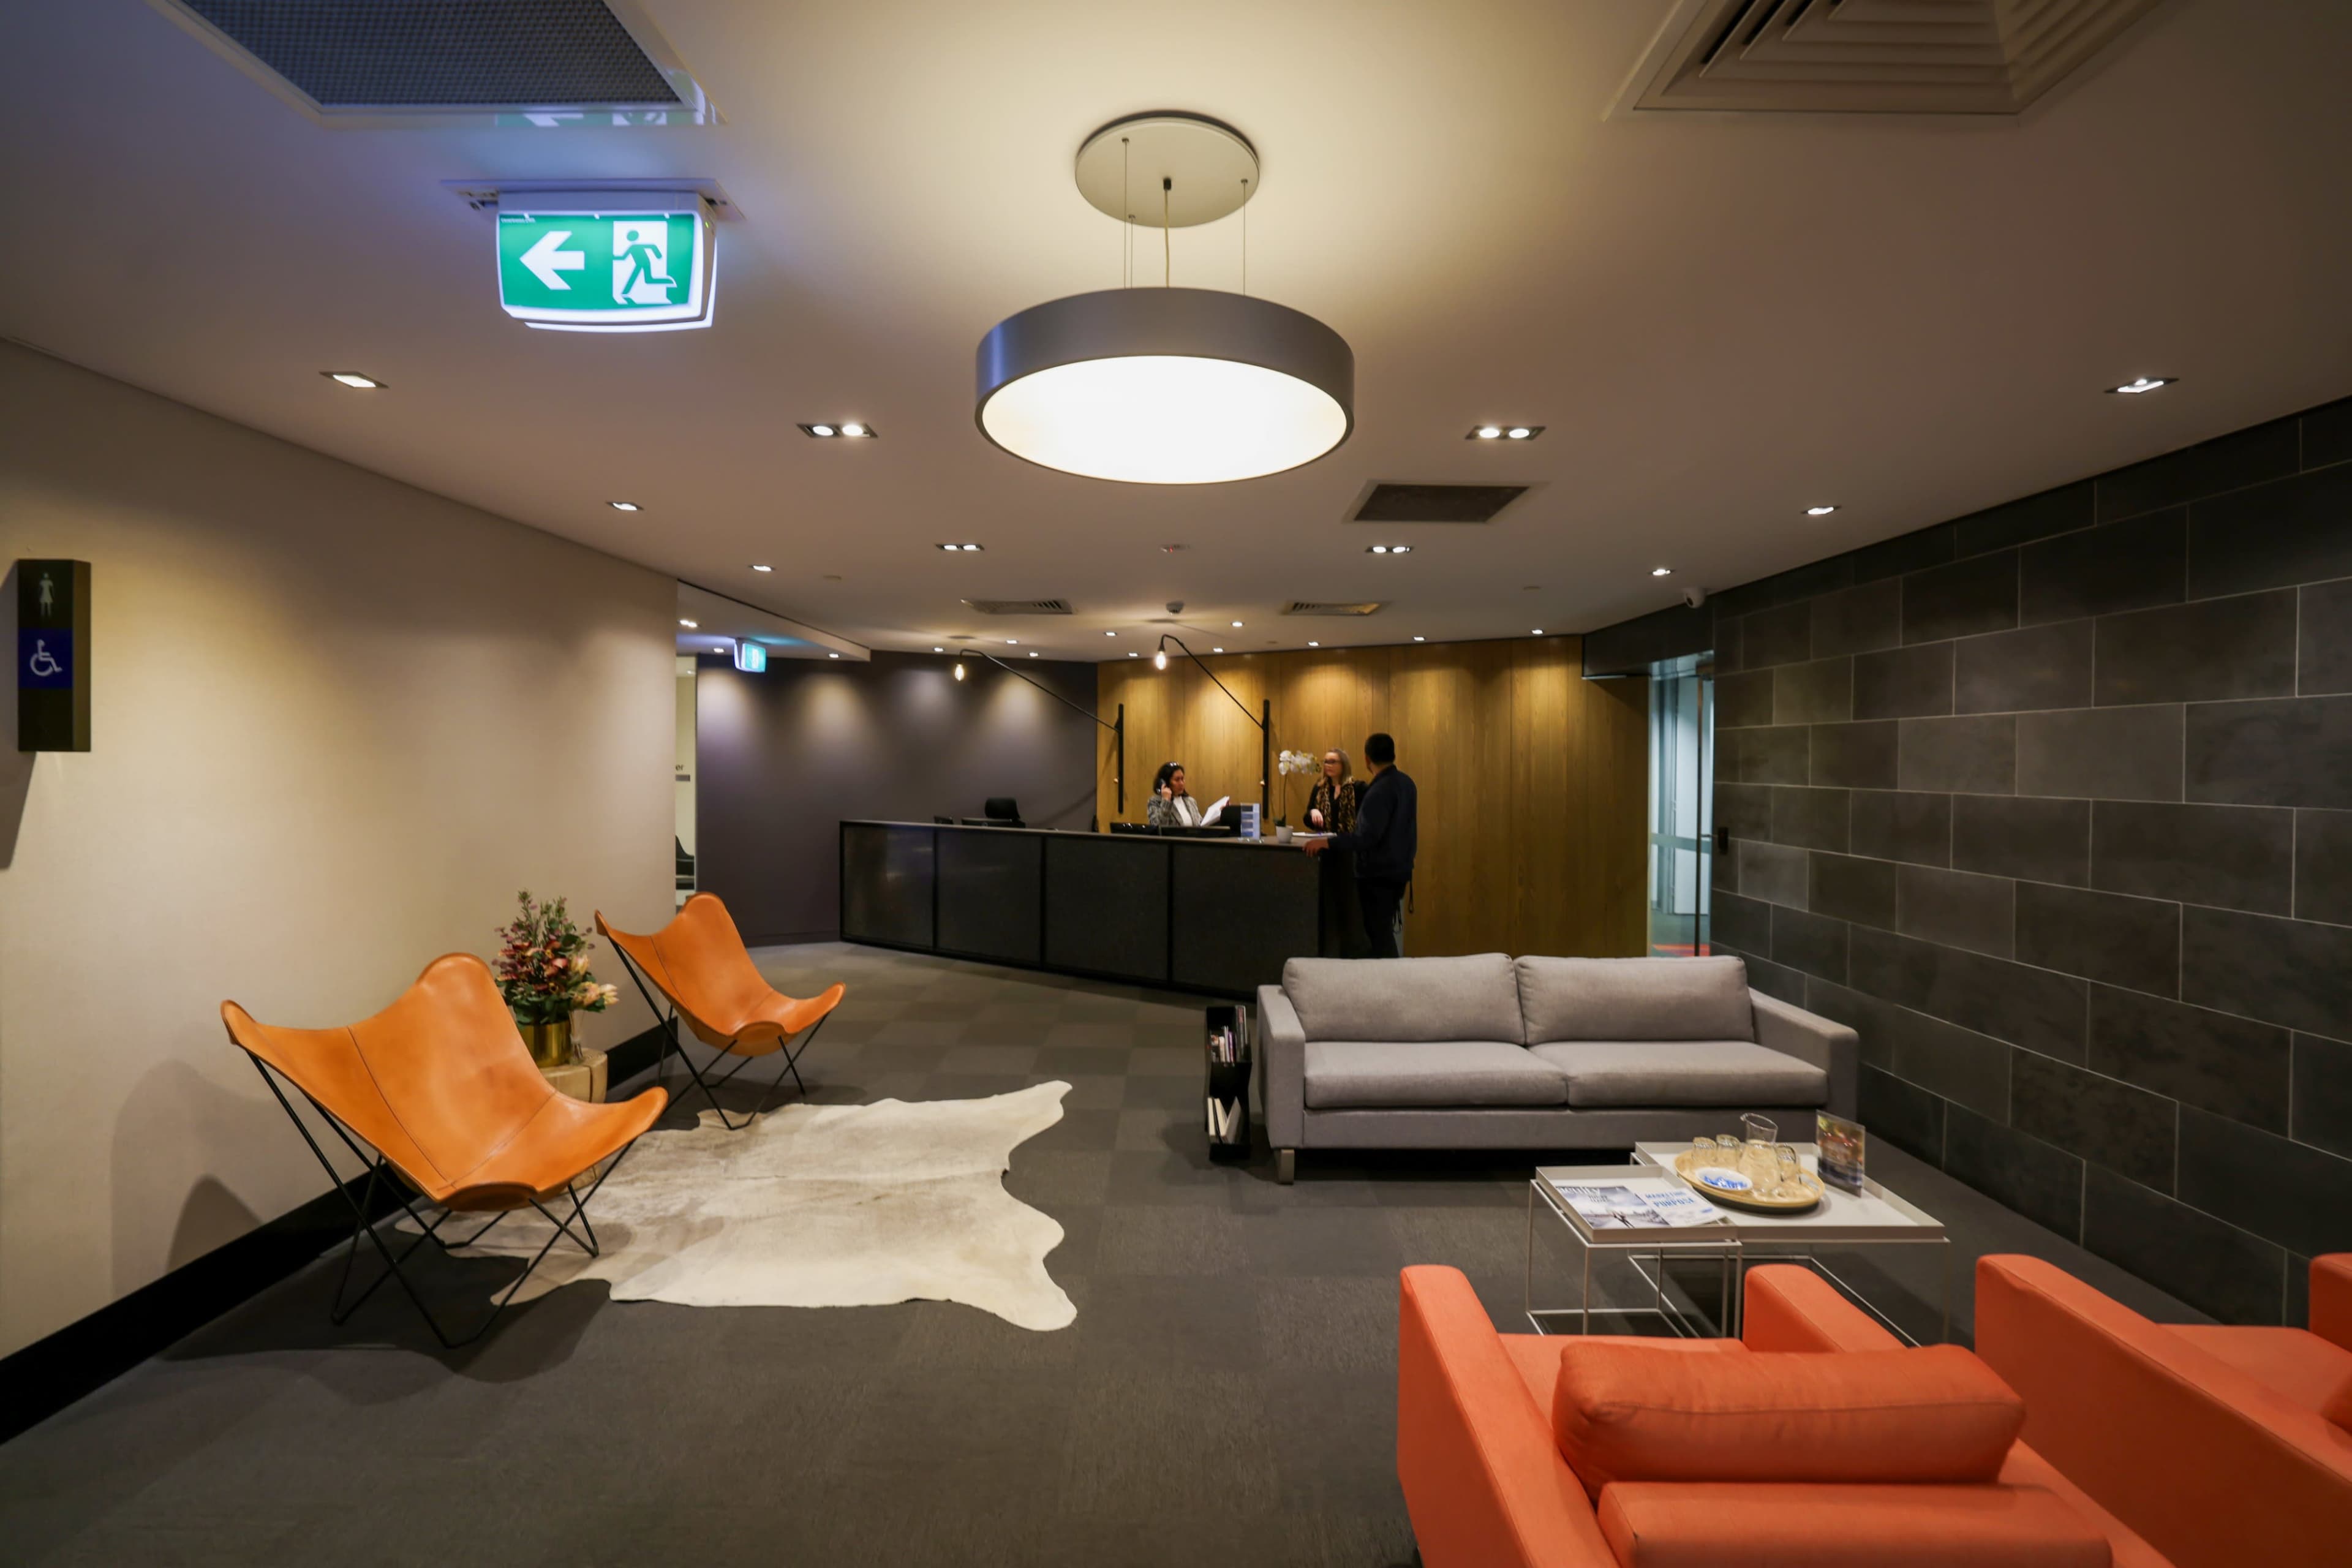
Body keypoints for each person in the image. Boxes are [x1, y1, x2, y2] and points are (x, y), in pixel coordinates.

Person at [1302, 732, 1416, 958]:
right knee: (1382, 933)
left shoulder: (1375, 790)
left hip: (1378, 874)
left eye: (1333, 761)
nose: (1328, 765)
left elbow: (1365, 837)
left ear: (1366, 759)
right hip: (1400, 870)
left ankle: (1392, 985)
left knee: (1379, 935)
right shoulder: (1407, 783)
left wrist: (1328, 842)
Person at [1303, 747, 1363, 835]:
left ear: (1344, 764)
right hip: (1324, 842)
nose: (1328, 765)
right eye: (1326, 762)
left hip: (1350, 844)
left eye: (1333, 762)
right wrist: (1312, 812)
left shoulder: (1358, 788)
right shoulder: (1319, 788)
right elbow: (1307, 820)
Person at [1147, 761, 1207, 827]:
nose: (1181, 783)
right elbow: (1157, 826)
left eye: (1182, 779)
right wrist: (1166, 802)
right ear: (1165, 782)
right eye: (1177, 780)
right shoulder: (1155, 801)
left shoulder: (1190, 801)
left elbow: (1200, 825)